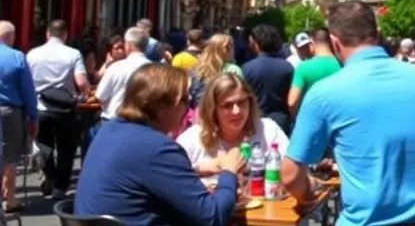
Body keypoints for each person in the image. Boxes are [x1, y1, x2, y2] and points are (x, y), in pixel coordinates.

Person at [281, 1, 415, 225]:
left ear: (335, 42)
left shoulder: (324, 93)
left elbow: (290, 175)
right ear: (378, 34)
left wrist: (308, 194)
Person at [75, 64, 240, 225]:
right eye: (184, 100)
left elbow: (137, 177)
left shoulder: (109, 129)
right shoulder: (158, 148)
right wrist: (228, 171)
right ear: (163, 106)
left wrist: (192, 173)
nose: (187, 108)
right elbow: (213, 216)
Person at [177, 73, 289, 185]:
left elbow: (291, 170)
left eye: (242, 102)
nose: (237, 111)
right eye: (227, 106)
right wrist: (199, 170)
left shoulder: (268, 129)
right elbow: (174, 181)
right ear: (212, 109)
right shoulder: (190, 139)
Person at [27, 20, 91, 200]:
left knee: (44, 145)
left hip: (41, 106)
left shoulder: (33, 54)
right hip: (65, 109)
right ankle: (60, 187)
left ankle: (50, 175)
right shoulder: (73, 54)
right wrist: (87, 93)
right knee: (66, 149)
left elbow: (27, 80)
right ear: (65, 34)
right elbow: (81, 82)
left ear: (48, 34)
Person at [0, 21, 35, 212]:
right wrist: (33, 116)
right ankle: (10, 198)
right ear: (10, 36)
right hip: (10, 111)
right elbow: (28, 91)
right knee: (10, 156)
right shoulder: (17, 57)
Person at [241, 24, 293, 133]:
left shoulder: (247, 68)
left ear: (256, 43)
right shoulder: (287, 67)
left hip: (255, 119)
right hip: (281, 121)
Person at [287, 34, 342, 116]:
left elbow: (292, 102)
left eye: (307, 46)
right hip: (338, 113)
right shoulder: (340, 62)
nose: (305, 50)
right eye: (302, 48)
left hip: (315, 116)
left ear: (313, 44)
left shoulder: (303, 68)